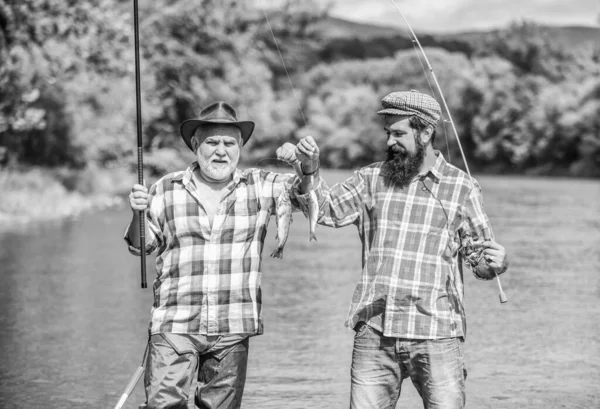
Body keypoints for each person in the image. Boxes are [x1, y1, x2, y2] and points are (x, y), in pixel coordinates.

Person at [276, 90, 509, 409]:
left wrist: (497, 262)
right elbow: (327, 210)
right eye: (388, 133)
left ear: (426, 132)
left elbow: (480, 263)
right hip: (375, 330)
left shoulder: (462, 187)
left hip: (437, 332)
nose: (389, 142)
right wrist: (309, 171)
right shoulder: (370, 178)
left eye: (399, 133)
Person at [125, 101, 297, 409]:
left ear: (240, 146)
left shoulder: (261, 185)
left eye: (229, 143)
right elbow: (141, 246)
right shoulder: (166, 188)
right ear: (195, 145)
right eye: (212, 142)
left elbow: (307, 194)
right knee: (163, 405)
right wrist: (137, 212)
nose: (221, 150)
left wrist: (304, 165)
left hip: (232, 327)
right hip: (174, 322)